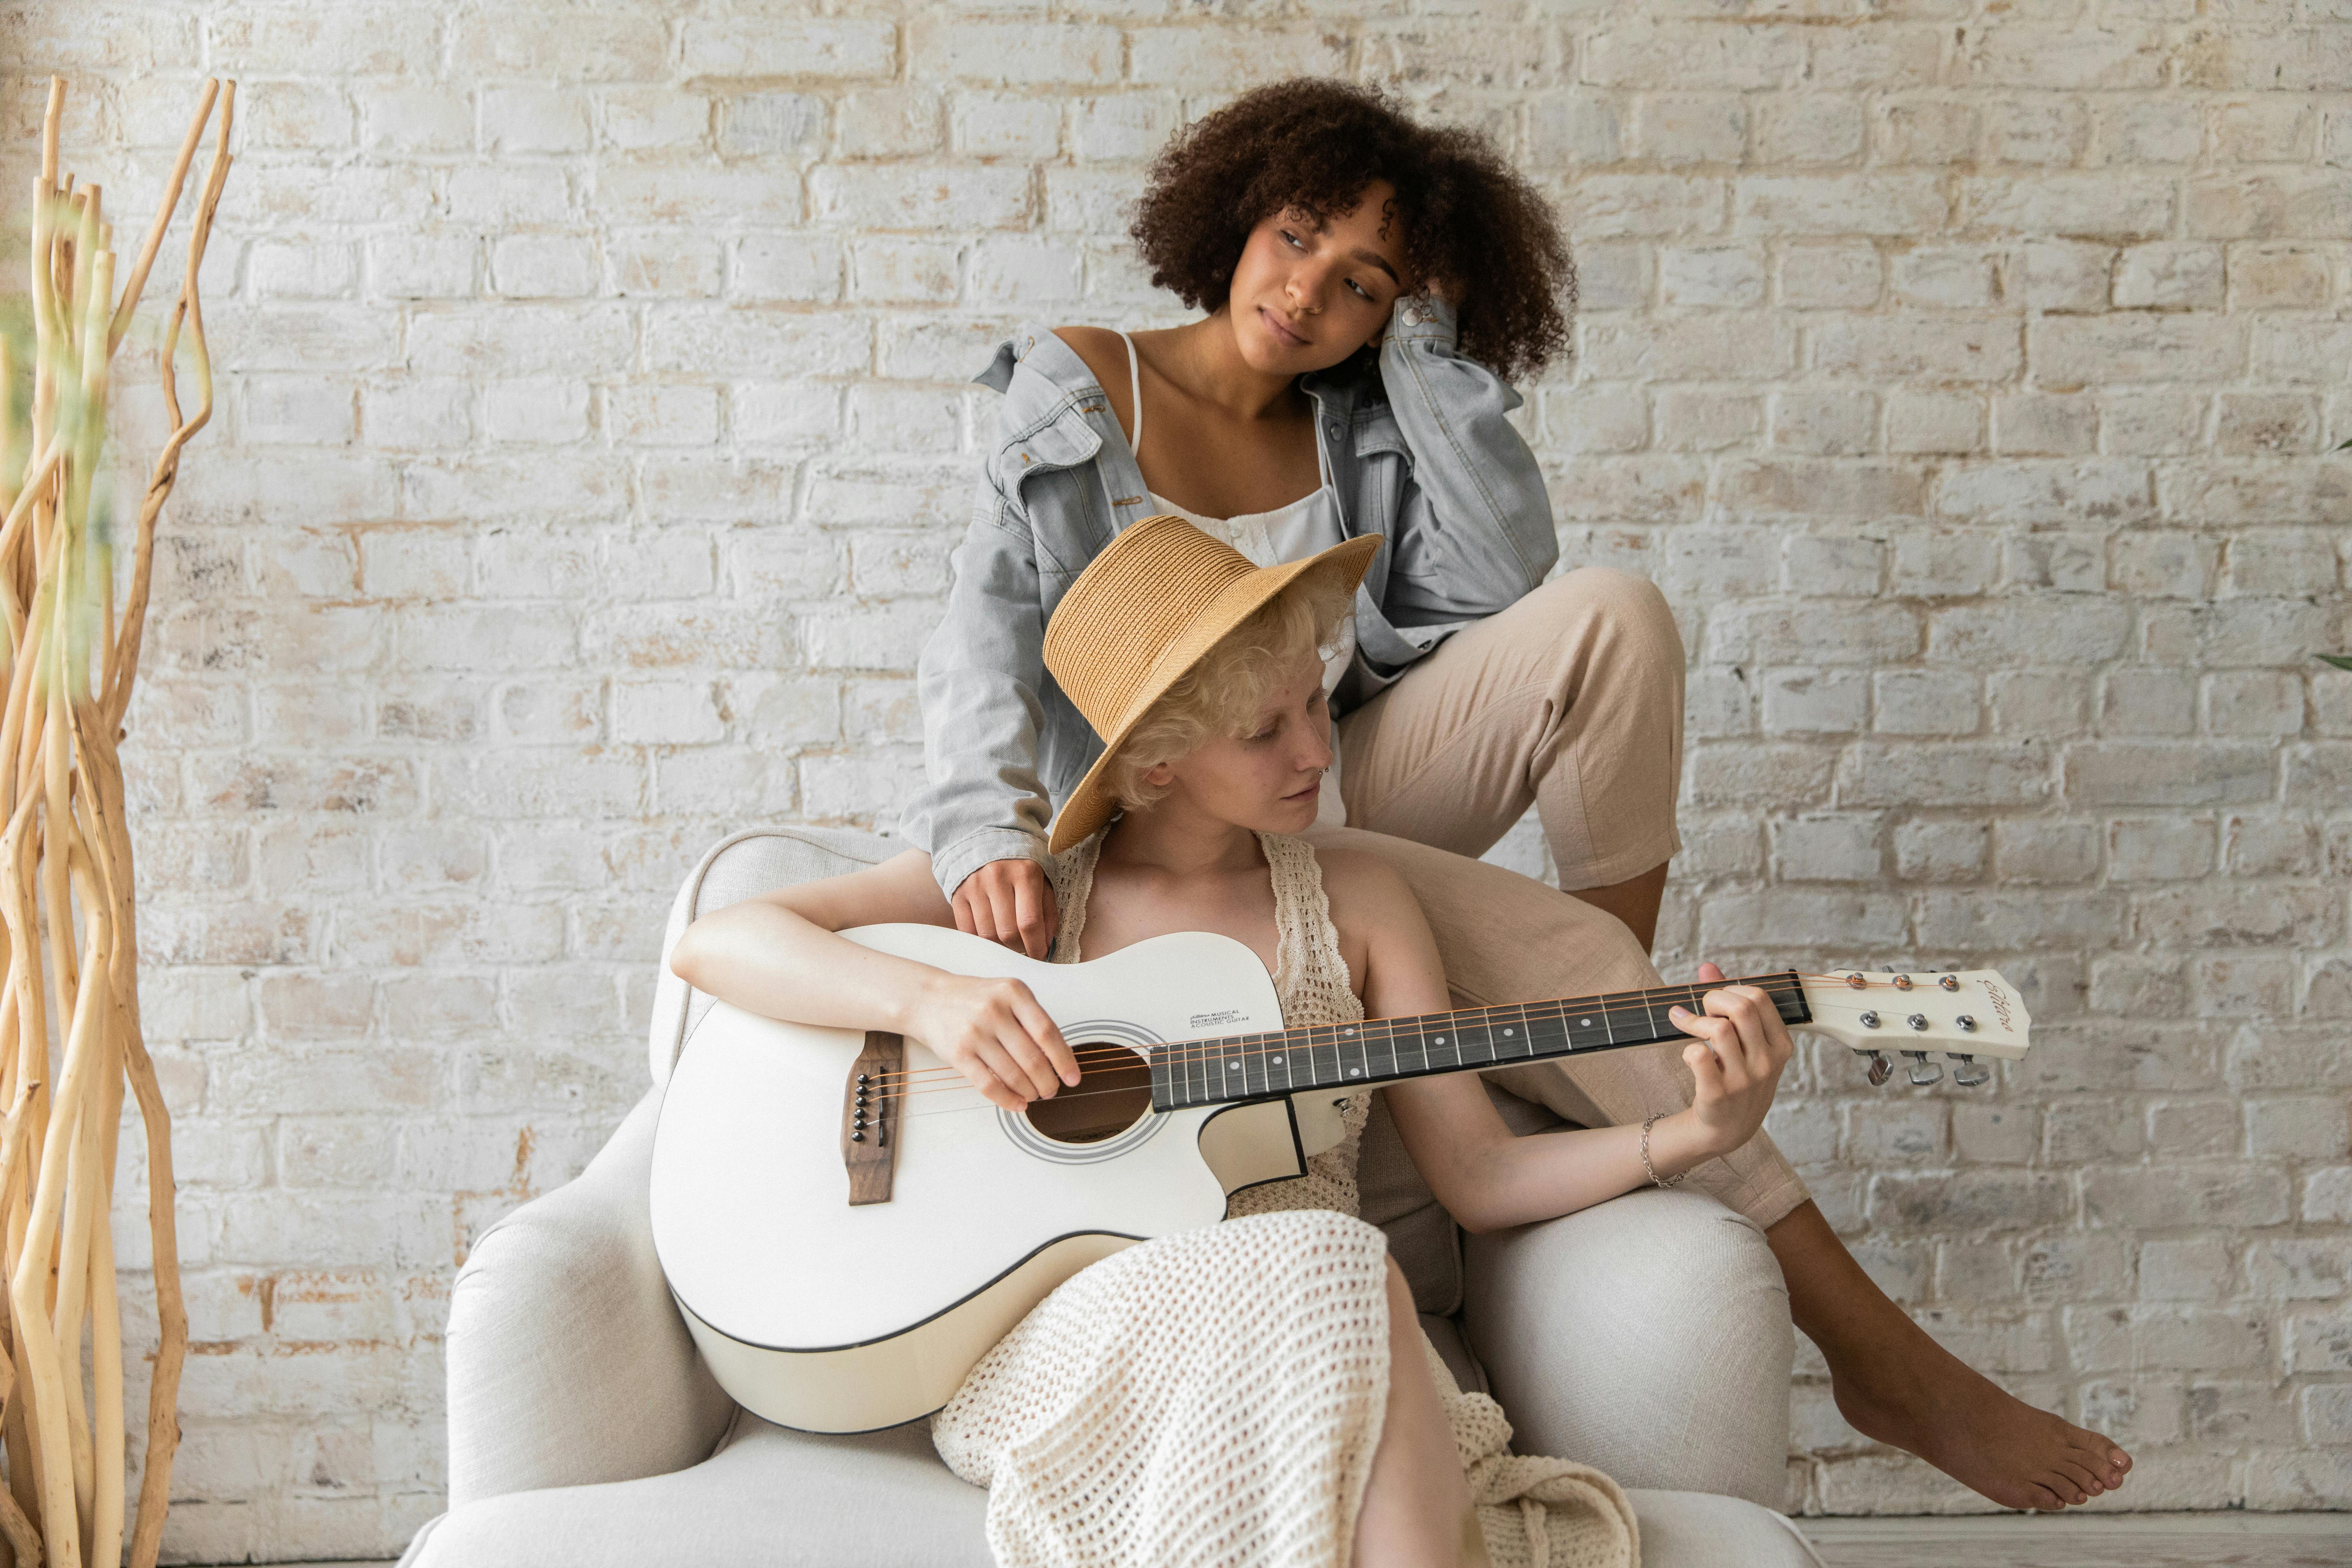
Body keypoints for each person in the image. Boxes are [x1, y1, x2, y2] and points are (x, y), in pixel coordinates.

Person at [899, 77, 2131, 1513]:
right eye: (1298, 238)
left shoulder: (1360, 410)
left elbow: (1504, 572)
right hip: (1166, 831)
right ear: (1238, 211)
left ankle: (1563, 1040)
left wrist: (1425, 327)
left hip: (1325, 796)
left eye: (1364, 284)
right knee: (1581, 959)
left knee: (1615, 617)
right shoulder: (1071, 392)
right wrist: (989, 832)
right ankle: (1869, 1341)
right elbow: (980, 646)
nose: (1310, 294)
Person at [672, 517, 1803, 1565]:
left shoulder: (1358, 902)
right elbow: (720, 943)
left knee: (1341, 1271)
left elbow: (1482, 1172)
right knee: (1342, 1272)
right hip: (1084, 1337)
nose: (1319, 750)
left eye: (1315, 704)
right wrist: (930, 1003)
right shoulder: (1018, 896)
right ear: (1156, 762)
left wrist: (1690, 1131)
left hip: (1334, 1316)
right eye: (1268, 732)